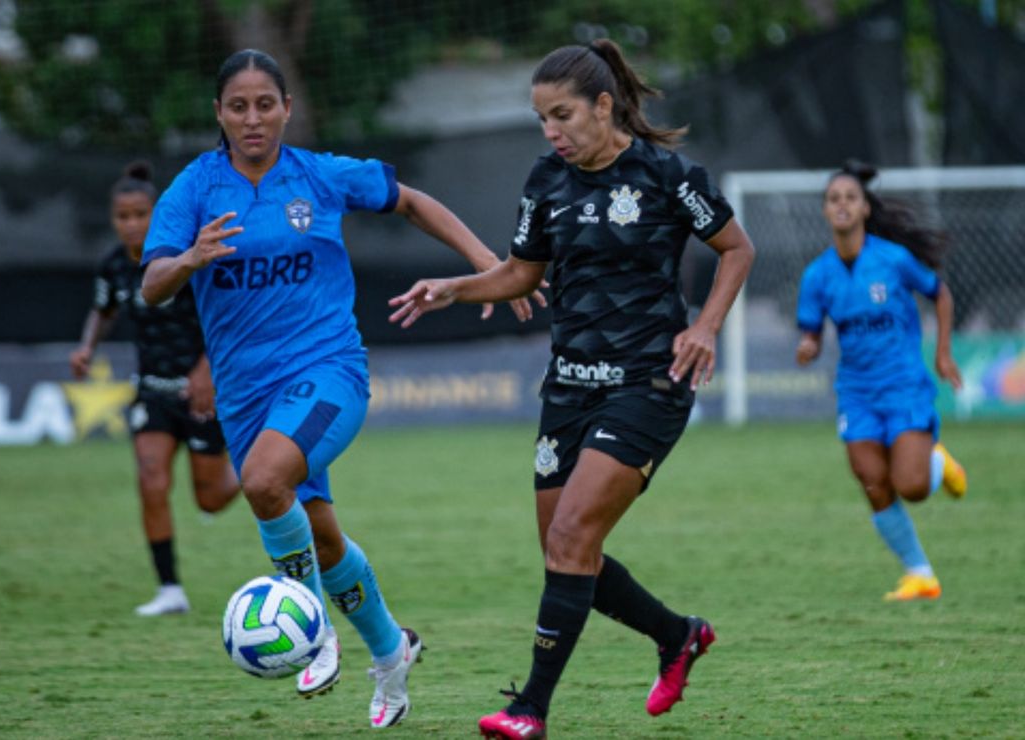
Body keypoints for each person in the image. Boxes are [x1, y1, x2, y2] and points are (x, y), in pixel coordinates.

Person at [139, 49, 541, 728]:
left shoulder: (321, 176)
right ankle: (391, 654)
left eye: (266, 103)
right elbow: (152, 286)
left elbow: (410, 200)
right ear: (218, 113)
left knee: (267, 482)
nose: (253, 118)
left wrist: (487, 263)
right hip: (246, 398)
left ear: (287, 108)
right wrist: (189, 258)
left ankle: (310, 622)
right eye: (237, 106)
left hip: (329, 372)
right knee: (320, 536)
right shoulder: (195, 188)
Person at [389, 39, 755, 739]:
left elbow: (738, 248)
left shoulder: (667, 174)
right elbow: (521, 273)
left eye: (562, 116)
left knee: (568, 538)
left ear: (604, 106)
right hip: (569, 388)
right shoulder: (546, 180)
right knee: (567, 553)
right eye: (541, 120)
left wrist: (705, 326)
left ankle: (529, 710)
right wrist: (454, 289)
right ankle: (678, 636)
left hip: (649, 383)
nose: (551, 132)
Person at [69, 161, 241, 617]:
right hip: (152, 389)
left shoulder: (183, 256)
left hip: (202, 391)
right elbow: (103, 309)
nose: (131, 224)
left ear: (157, 213)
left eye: (140, 215)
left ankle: (255, 467)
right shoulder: (113, 266)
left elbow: (224, 315)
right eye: (122, 216)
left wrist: (206, 369)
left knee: (211, 497)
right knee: (151, 480)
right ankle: (170, 590)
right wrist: (87, 347)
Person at [796, 159, 968, 602]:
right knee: (872, 480)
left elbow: (940, 292)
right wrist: (809, 345)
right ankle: (920, 574)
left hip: (903, 384)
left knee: (910, 486)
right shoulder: (818, 275)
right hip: (856, 391)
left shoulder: (892, 259)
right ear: (824, 210)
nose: (842, 205)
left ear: (865, 208)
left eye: (850, 198)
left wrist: (943, 353)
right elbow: (811, 330)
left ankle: (937, 462)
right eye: (834, 199)